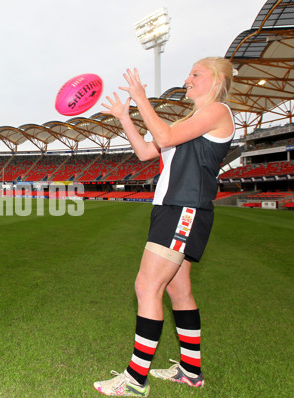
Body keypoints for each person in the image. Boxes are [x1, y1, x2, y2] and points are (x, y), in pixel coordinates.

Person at [93, 57, 235, 396]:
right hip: (173, 208)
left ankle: (135, 379)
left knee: (146, 286)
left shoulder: (218, 112)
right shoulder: (193, 119)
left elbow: (165, 133)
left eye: (196, 73)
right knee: (177, 290)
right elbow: (145, 151)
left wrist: (142, 98)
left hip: (184, 208)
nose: (188, 79)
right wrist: (126, 117)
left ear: (216, 80)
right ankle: (190, 371)